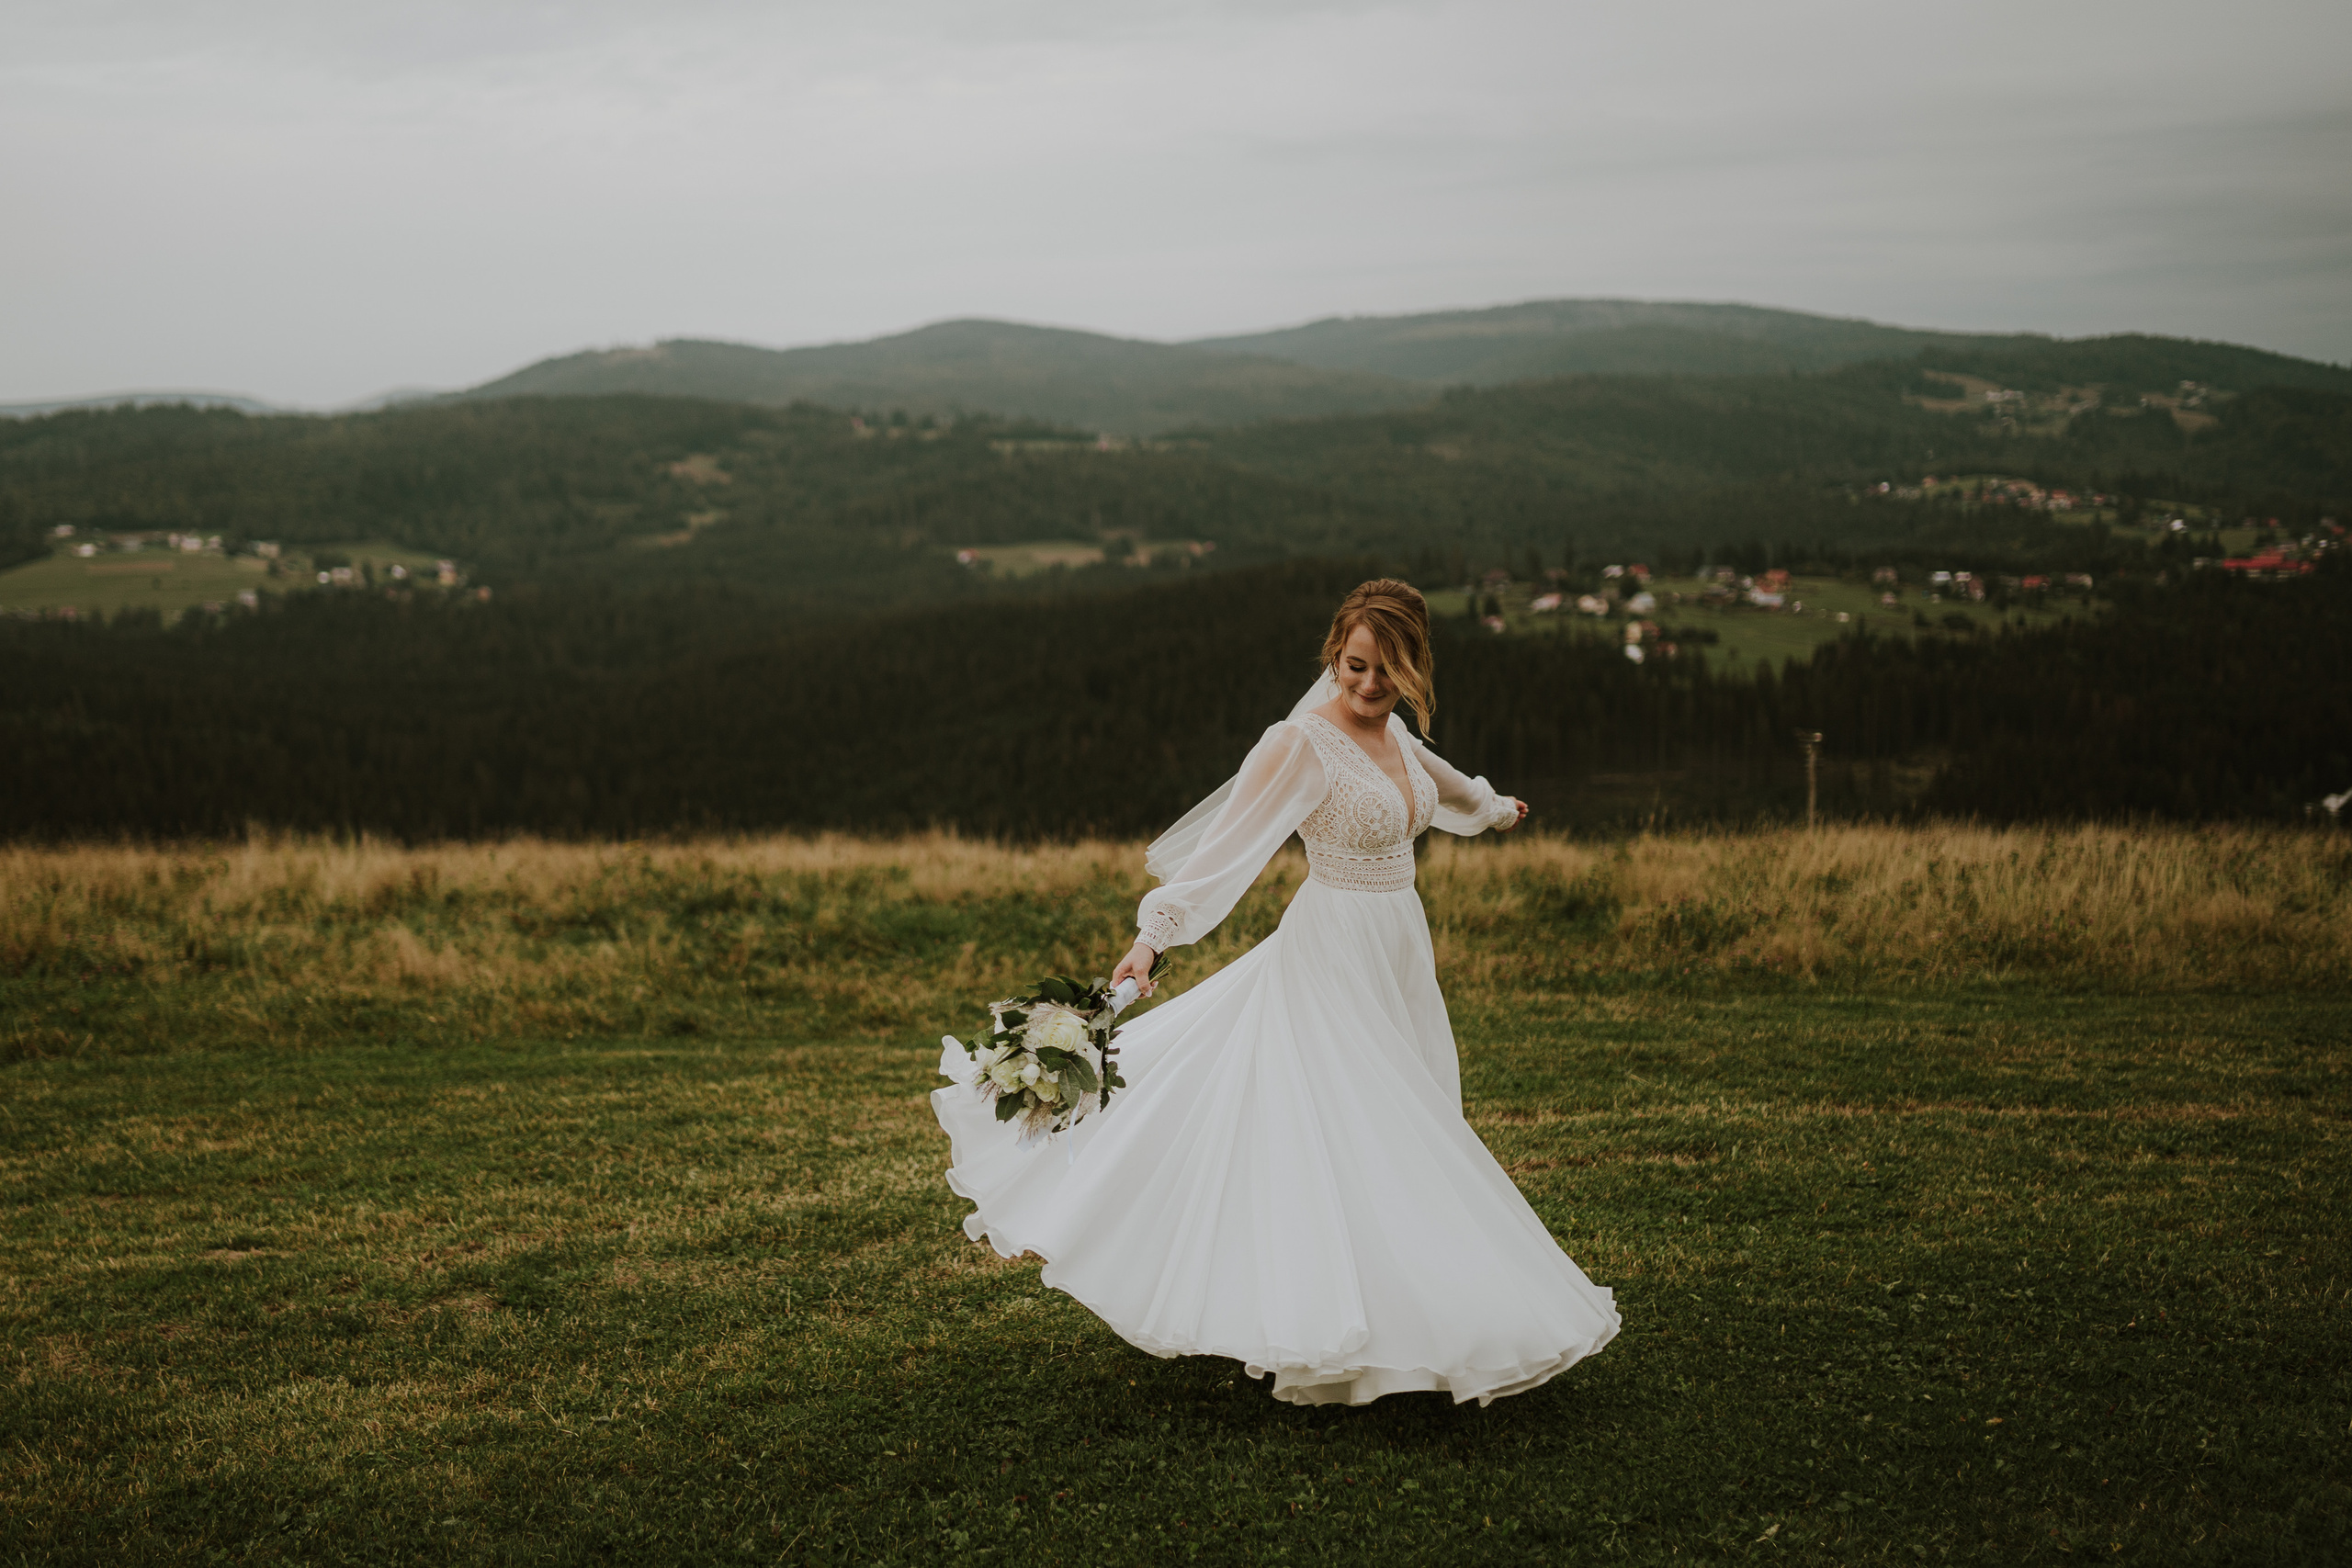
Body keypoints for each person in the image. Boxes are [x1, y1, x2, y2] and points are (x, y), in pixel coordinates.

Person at [932, 578, 1620, 1405]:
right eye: (1357, 666)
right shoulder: (1299, 743)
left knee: (1414, 1120)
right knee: (1366, 1125)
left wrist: (1500, 807)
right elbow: (1226, 850)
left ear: (1413, 669)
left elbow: (1450, 792)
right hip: (1331, 948)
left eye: (1389, 671)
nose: (1370, 686)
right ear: (1335, 654)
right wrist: (1152, 939)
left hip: (1400, 947)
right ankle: (1344, 1327)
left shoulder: (1397, 734)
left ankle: (1407, 1317)